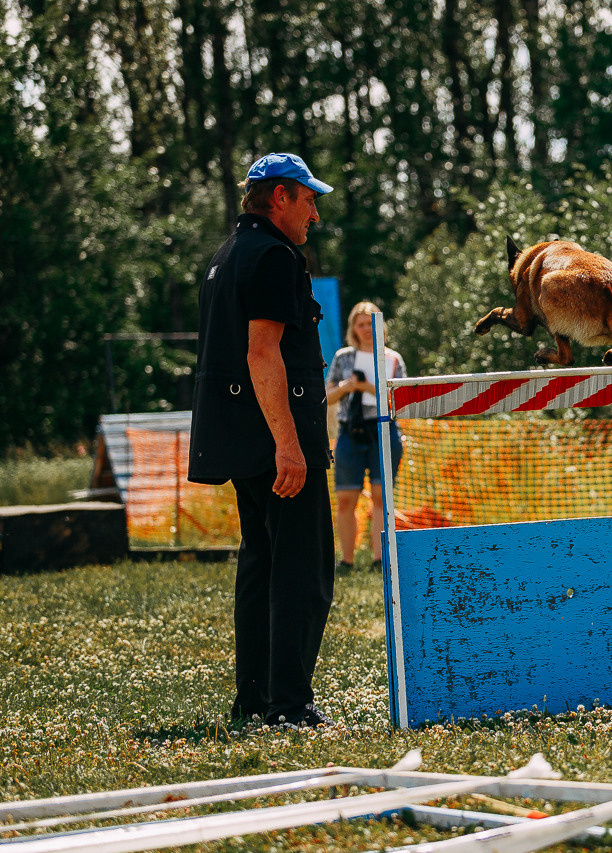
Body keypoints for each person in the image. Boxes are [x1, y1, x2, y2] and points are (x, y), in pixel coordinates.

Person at [188, 152, 336, 730]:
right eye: (309, 200)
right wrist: (290, 446)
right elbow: (261, 352)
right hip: (275, 439)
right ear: (280, 197)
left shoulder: (227, 256)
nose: (314, 215)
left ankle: (253, 699)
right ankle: (289, 707)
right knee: (302, 570)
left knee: (261, 564)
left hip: (238, 437)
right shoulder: (275, 255)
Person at [326, 302, 407, 571]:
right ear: (353, 328)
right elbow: (326, 397)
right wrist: (347, 387)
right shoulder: (342, 357)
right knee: (346, 498)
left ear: (379, 326)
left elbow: (400, 400)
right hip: (350, 431)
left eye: (370, 322)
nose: (365, 328)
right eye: (360, 323)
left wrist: (366, 386)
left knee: (380, 497)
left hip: (382, 431)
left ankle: (379, 559)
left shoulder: (392, 358)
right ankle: (347, 561)